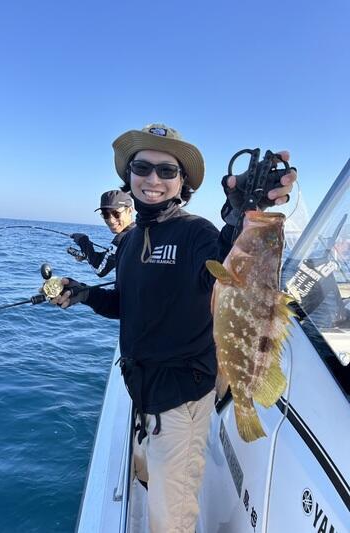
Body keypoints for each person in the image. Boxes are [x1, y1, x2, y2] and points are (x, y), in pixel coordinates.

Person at [51, 124, 297, 532]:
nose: (153, 179)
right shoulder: (131, 240)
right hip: (141, 391)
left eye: (167, 171)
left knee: (170, 521)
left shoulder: (196, 233)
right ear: (128, 176)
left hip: (181, 400)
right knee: (146, 476)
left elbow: (227, 264)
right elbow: (126, 305)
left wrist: (242, 213)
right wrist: (86, 294)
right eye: (142, 167)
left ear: (183, 183)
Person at [70, 190, 134, 277]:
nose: (111, 220)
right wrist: (89, 255)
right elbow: (110, 257)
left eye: (116, 214)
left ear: (130, 210)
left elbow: (100, 269)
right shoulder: (138, 231)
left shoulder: (122, 238)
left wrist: (83, 242)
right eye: (105, 214)